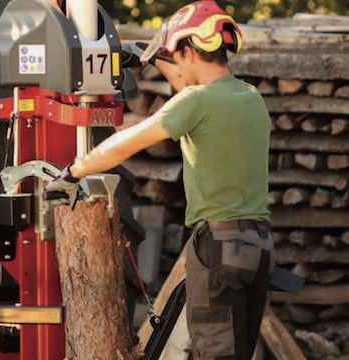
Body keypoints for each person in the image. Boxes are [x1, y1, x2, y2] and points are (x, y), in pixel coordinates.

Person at [47, 1, 275, 359]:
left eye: (176, 55)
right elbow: (190, 89)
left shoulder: (197, 103)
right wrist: (153, 57)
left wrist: (74, 171)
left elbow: (129, 140)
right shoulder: (250, 97)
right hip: (258, 247)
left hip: (219, 247)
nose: (177, 65)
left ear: (188, 50)